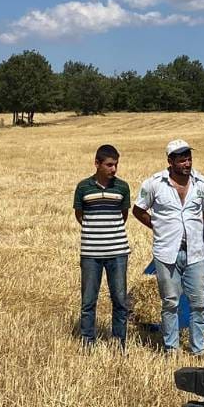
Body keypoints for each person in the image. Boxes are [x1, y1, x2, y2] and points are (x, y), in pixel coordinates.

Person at [133, 139, 204, 356]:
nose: (187, 164)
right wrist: (158, 226)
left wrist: (191, 228)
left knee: (199, 302)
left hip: (195, 253)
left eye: (188, 159)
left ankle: (198, 350)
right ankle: (172, 348)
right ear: (170, 161)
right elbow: (138, 210)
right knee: (170, 302)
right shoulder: (154, 184)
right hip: (166, 252)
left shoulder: (201, 183)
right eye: (181, 160)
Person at [74, 144, 133, 347]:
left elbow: (123, 216)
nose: (114, 169)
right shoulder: (83, 187)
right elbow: (80, 215)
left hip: (118, 252)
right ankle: (87, 342)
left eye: (116, 165)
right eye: (109, 165)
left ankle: (119, 342)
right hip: (90, 253)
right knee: (88, 301)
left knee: (120, 301)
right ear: (97, 164)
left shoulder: (122, 187)